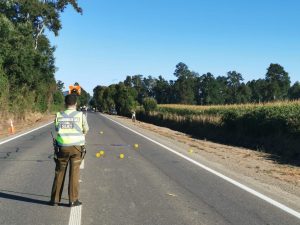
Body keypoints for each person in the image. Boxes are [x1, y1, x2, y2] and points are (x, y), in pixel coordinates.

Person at [49, 94, 89, 207]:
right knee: (74, 173)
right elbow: (86, 129)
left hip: (62, 148)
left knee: (59, 172)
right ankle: (73, 200)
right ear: (76, 104)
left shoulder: (59, 115)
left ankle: (55, 200)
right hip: (77, 148)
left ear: (65, 104)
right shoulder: (80, 115)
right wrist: (81, 136)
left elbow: (57, 128)